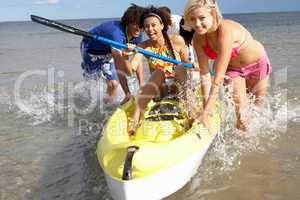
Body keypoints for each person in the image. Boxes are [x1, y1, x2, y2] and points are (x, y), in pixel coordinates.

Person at [183, 0, 272, 131]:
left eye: (202, 18)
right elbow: (205, 75)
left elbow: (217, 78)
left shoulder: (225, 30)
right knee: (241, 114)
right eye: (192, 19)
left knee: (258, 111)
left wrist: (206, 113)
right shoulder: (198, 39)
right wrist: (206, 110)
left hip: (257, 65)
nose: (197, 24)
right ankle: (242, 142)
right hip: (233, 71)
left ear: (212, 14)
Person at [122, 6, 190, 135]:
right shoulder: (144, 46)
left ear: (162, 25)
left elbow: (186, 62)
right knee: (158, 72)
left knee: (181, 67)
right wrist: (126, 56)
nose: (150, 29)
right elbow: (131, 70)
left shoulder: (177, 40)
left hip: (179, 88)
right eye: (146, 26)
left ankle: (189, 111)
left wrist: (190, 65)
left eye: (153, 25)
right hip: (160, 90)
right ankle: (135, 119)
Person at [80, 4, 145, 103]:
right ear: (128, 22)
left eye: (141, 26)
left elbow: (137, 59)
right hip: (91, 50)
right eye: (135, 24)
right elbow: (119, 67)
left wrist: (142, 85)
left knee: (113, 84)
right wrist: (127, 93)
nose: (139, 29)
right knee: (102, 82)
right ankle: (102, 106)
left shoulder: (138, 33)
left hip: (109, 50)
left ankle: (108, 105)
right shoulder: (116, 34)